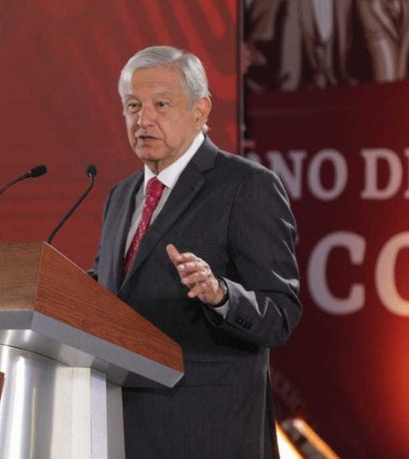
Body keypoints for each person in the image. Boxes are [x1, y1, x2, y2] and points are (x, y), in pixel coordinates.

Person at [90, 46, 302, 457]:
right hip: (121, 429)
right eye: (132, 106)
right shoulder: (121, 195)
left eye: (161, 104)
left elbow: (279, 316)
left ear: (201, 110)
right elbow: (112, 292)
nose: (143, 119)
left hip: (208, 432)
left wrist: (221, 295)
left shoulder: (246, 186)